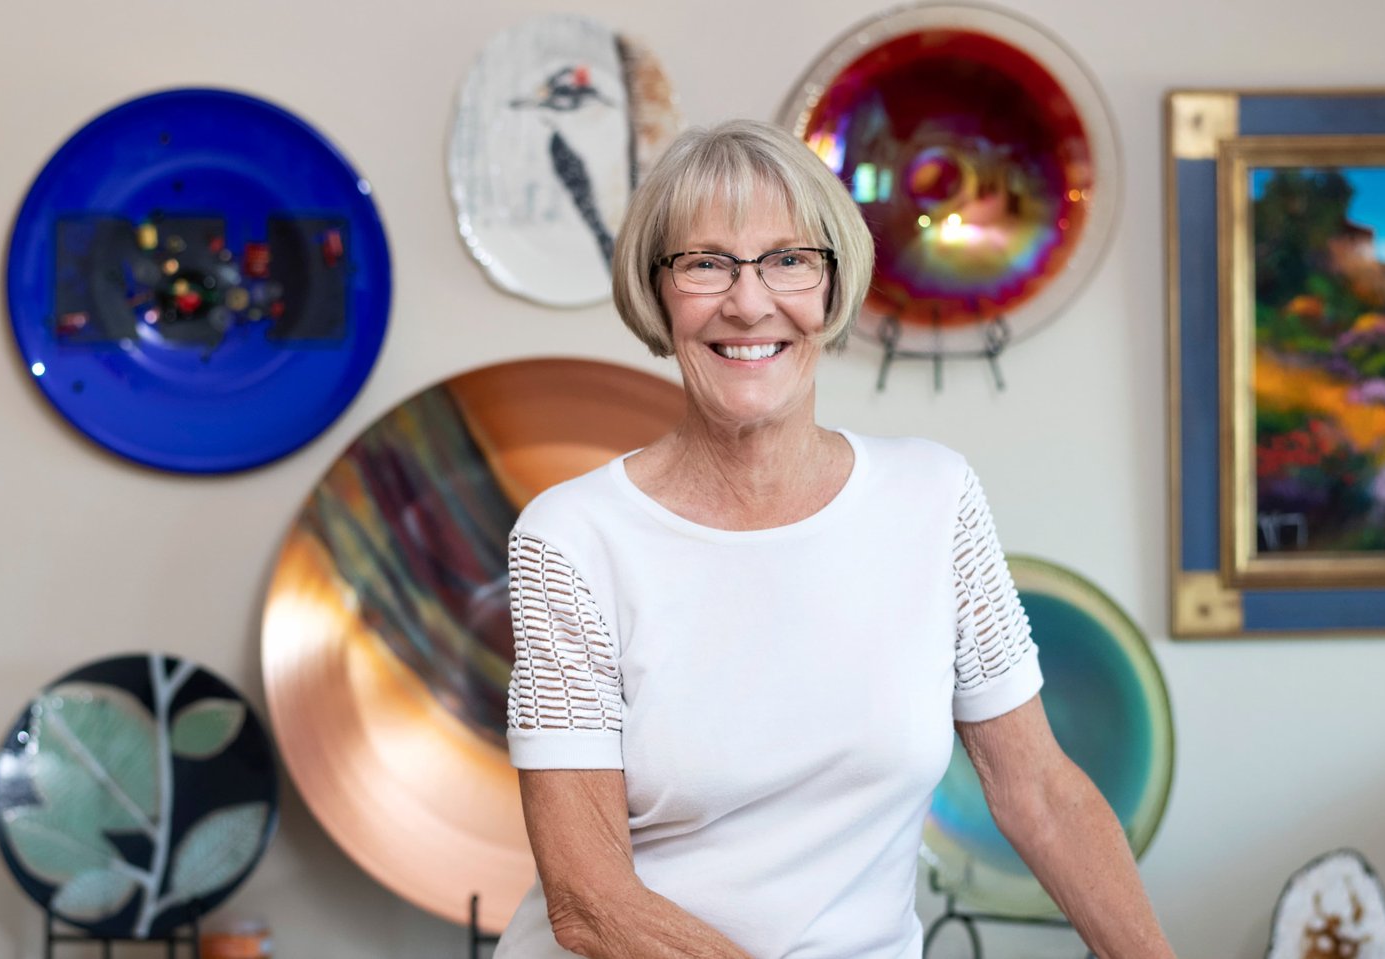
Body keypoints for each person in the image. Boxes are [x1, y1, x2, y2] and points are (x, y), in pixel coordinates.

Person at [494, 119, 1173, 959]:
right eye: (705, 263)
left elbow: (1037, 788)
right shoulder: (573, 538)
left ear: (831, 284)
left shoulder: (935, 498)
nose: (749, 302)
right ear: (658, 293)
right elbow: (588, 901)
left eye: (788, 259)